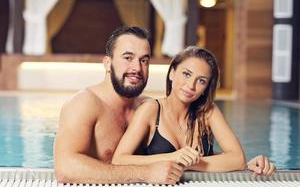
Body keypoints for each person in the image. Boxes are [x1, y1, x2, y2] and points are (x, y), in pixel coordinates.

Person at [54, 26, 275, 185]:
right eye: (127, 58)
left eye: (144, 60)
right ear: (107, 63)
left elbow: (189, 155)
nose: (137, 68)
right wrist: (146, 173)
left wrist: (244, 165)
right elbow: (65, 169)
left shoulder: (146, 105)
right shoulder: (84, 104)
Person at [112, 47, 275, 176]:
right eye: (186, 74)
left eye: (201, 81)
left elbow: (238, 159)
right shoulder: (150, 110)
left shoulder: (208, 112)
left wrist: (190, 163)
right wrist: (172, 157)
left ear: (205, 88)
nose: (191, 85)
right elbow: (119, 160)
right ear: (172, 73)